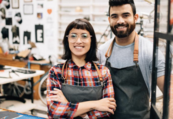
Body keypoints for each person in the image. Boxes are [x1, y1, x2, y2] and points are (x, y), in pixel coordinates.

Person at [97, 0, 172, 119]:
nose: (120, 21)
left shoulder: (149, 51)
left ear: (135, 17)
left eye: (125, 15)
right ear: (109, 20)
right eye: (114, 16)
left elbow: (169, 91)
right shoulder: (102, 52)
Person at [47, 18, 116, 119]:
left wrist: (67, 104)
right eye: (73, 36)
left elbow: (108, 109)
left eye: (84, 36)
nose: (78, 41)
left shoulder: (103, 72)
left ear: (91, 40)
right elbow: (54, 111)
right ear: (67, 40)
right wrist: (95, 104)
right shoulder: (56, 72)